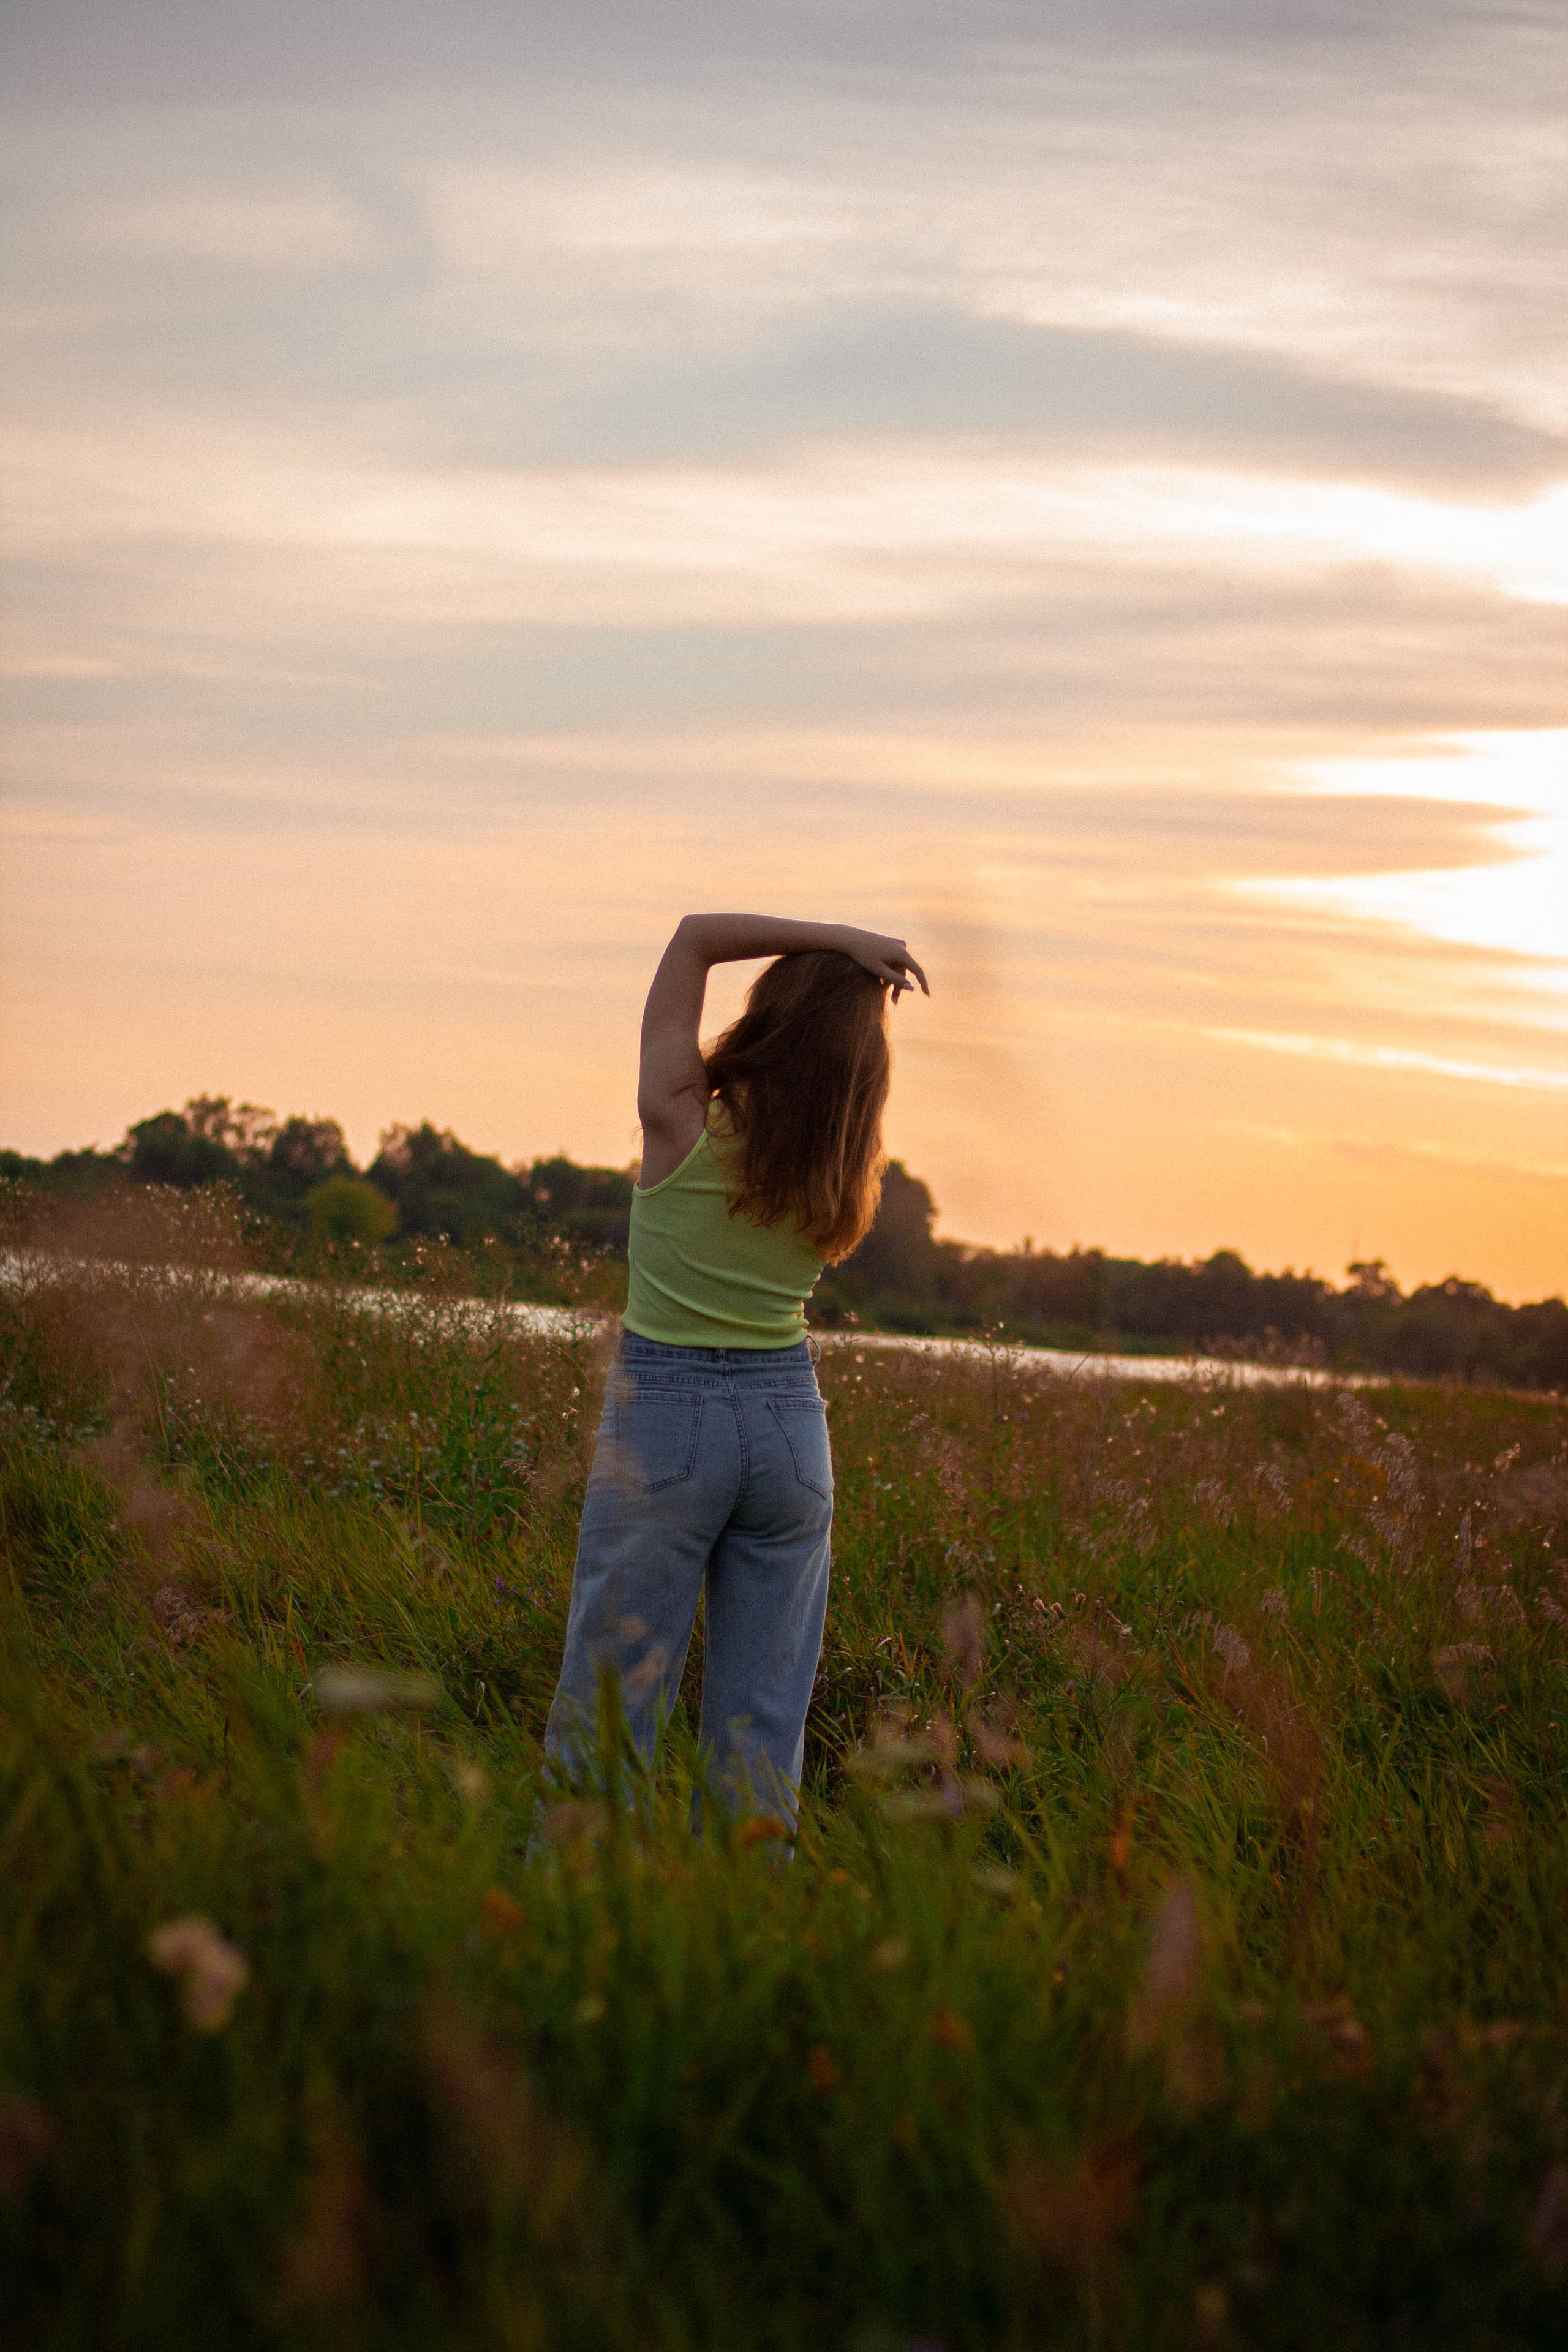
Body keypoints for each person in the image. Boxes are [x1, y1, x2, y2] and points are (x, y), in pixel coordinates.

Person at [537, 912, 929, 1831]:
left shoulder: (681, 1117)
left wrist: (838, 939)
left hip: (668, 1418)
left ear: (766, 1020)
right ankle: (744, 1940)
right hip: (791, 1430)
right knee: (764, 1732)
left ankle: (567, 1928)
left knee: (609, 1711)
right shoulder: (838, 1166)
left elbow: (693, 937)